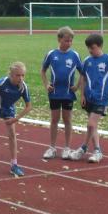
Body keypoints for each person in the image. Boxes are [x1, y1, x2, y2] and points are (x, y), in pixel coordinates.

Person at [70, 33, 108, 163]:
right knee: (92, 126)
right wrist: (82, 94)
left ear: (100, 46)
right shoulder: (87, 61)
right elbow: (83, 77)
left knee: (91, 124)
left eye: (93, 48)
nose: (90, 50)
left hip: (102, 98)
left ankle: (84, 148)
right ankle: (96, 151)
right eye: (88, 48)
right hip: (89, 97)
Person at [40, 26, 84, 159]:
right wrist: (46, 84)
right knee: (54, 119)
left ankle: (67, 148)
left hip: (68, 94)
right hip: (54, 93)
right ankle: (52, 148)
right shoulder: (51, 54)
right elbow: (43, 70)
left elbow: (83, 73)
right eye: (66, 41)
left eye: (71, 41)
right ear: (59, 39)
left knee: (67, 120)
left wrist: (77, 86)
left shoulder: (75, 55)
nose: (69, 43)